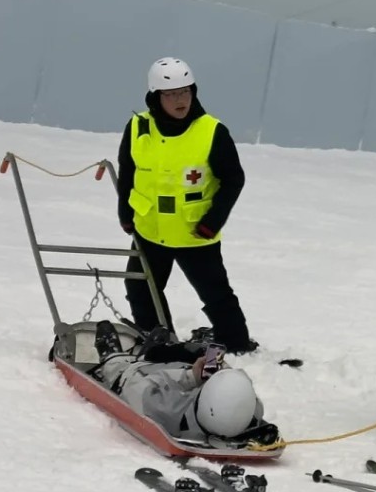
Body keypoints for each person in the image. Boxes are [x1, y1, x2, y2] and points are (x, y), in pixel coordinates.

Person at [116, 57, 256, 353]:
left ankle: (237, 346)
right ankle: (158, 340)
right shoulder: (138, 127)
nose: (180, 100)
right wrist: (125, 213)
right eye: (171, 94)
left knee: (215, 293)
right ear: (156, 97)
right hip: (150, 228)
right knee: (140, 287)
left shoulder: (212, 131)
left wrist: (211, 222)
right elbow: (128, 171)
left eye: (185, 92)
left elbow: (234, 179)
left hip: (194, 231)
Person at [92, 321, 276, 447]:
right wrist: (218, 371)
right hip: (182, 368)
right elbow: (239, 384)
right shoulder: (250, 411)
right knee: (177, 354)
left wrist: (191, 378)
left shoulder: (166, 410)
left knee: (122, 371)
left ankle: (113, 355)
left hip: (141, 372)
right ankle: (158, 350)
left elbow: (139, 385)